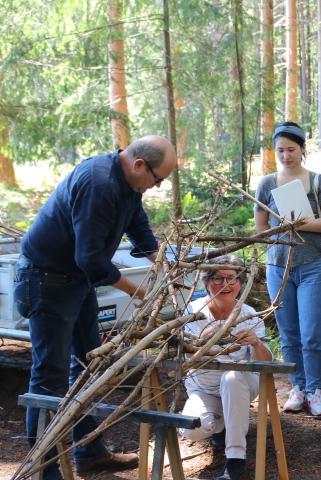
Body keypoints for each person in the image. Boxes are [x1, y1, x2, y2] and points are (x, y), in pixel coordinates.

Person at [13, 136, 176, 479]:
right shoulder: (99, 183)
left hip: (75, 279)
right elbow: (89, 259)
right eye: (159, 179)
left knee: (89, 365)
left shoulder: (130, 184)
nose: (158, 186)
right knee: (49, 379)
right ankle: (43, 468)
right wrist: (137, 291)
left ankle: (88, 452)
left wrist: (164, 264)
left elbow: (139, 227)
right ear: (139, 165)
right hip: (47, 280)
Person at [253, 122, 321, 416]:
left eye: (292, 149)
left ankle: (315, 390)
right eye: (280, 150)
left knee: (312, 332)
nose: (286, 156)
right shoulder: (267, 183)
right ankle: (297, 387)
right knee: (289, 333)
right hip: (278, 266)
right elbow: (261, 228)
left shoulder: (318, 181)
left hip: (312, 264)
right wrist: (282, 229)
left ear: (303, 149)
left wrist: (297, 223)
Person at [180, 254, 273, 480]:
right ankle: (226, 424)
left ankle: (235, 459)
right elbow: (186, 353)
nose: (225, 285)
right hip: (203, 388)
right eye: (218, 279)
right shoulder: (193, 311)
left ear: (241, 283)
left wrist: (256, 342)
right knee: (192, 430)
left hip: (240, 384)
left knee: (232, 378)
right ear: (206, 282)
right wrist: (207, 335)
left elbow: (266, 362)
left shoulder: (249, 314)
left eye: (232, 279)